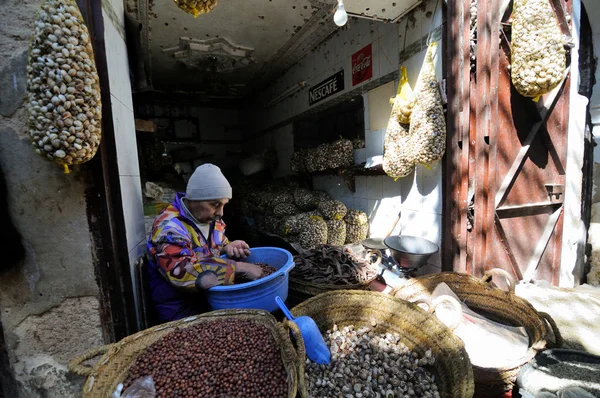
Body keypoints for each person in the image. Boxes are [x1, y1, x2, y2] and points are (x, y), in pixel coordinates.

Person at [147, 163, 263, 323]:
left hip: (208, 299)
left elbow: (216, 242)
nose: (221, 212)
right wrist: (239, 268)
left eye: (223, 205)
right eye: (215, 205)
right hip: (179, 310)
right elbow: (182, 272)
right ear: (194, 200)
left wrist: (228, 246)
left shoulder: (210, 219)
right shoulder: (169, 228)